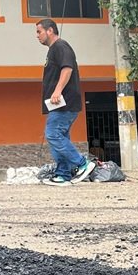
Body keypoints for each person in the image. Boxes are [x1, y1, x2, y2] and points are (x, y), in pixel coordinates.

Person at [35, 18, 95, 187]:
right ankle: (63, 175)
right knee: (59, 137)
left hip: (64, 102)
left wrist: (57, 90)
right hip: (58, 104)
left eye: (39, 31)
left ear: (50, 31)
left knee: (53, 134)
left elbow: (67, 68)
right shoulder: (53, 50)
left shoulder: (60, 47)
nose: (37, 36)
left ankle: (82, 163)